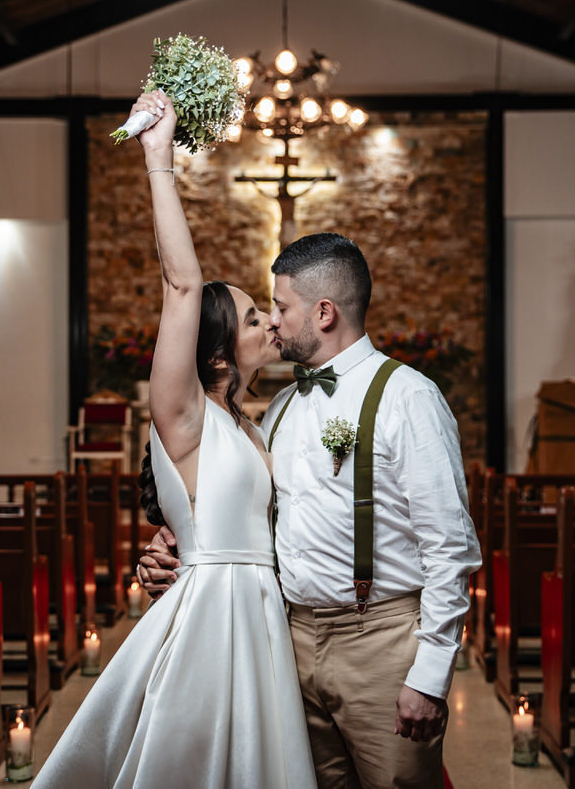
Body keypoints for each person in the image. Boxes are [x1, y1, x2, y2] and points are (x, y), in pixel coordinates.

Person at [32, 90, 317, 789]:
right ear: (216, 352)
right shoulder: (183, 415)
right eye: (254, 319)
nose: (271, 325)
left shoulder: (253, 424)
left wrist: (166, 543)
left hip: (262, 614)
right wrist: (159, 158)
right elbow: (183, 287)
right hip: (211, 616)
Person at [140, 234, 482, 787]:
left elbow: (450, 547)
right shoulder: (274, 413)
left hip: (380, 643)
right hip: (285, 645)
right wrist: (171, 543)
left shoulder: (407, 397)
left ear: (324, 313)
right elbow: (237, 510)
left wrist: (431, 673)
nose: (273, 322)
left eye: (279, 307)